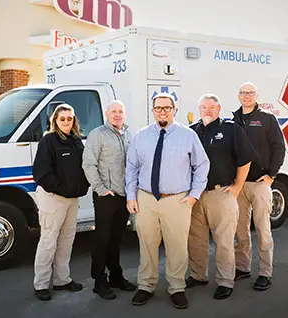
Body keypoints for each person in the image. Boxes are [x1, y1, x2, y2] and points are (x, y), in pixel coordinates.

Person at [125, 93, 210, 309]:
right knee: (147, 244)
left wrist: (194, 196)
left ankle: (177, 287)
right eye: (158, 108)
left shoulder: (188, 135)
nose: (162, 111)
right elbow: (132, 167)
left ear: (174, 110)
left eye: (167, 108)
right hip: (145, 199)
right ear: (152, 110)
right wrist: (131, 196)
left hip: (177, 200)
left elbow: (201, 166)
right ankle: (146, 285)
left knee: (177, 246)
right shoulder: (141, 136)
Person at [187, 94, 256, 300]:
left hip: (221, 192)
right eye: (203, 107)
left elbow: (245, 159)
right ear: (198, 109)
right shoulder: (191, 132)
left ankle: (226, 280)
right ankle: (198, 275)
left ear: (219, 109)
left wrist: (237, 187)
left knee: (224, 240)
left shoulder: (231, 129)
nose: (207, 110)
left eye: (211, 107)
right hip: (196, 195)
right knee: (196, 239)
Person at [32, 103, 90, 301]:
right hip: (53, 199)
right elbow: (41, 172)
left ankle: (62, 280)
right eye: (62, 118)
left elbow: (83, 168)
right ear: (55, 121)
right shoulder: (48, 141)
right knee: (48, 242)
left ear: (74, 121)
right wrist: (61, 188)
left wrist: (82, 188)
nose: (66, 122)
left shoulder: (76, 141)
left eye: (69, 118)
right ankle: (40, 284)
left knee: (66, 241)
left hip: (72, 200)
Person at [232, 82, 285, 291]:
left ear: (256, 95)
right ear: (238, 96)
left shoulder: (267, 119)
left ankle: (265, 272)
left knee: (263, 229)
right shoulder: (233, 119)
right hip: (239, 184)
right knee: (240, 229)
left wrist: (271, 174)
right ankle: (243, 267)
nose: (247, 96)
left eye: (250, 93)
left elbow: (279, 147)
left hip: (260, 183)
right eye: (243, 93)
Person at [82, 100, 137, 300]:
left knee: (117, 239)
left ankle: (116, 276)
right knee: (102, 239)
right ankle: (99, 280)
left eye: (120, 111)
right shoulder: (98, 134)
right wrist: (101, 189)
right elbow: (88, 164)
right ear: (107, 113)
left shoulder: (129, 134)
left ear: (125, 114)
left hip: (124, 196)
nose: (117, 114)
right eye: (113, 111)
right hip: (106, 196)